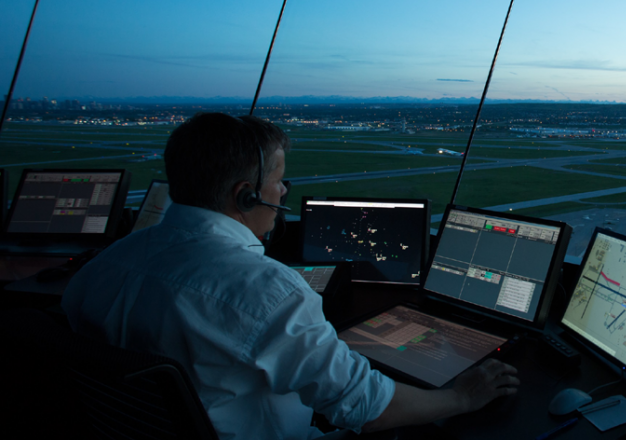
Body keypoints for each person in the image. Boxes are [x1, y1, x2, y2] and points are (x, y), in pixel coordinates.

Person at [62, 113, 518, 440]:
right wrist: (462, 397)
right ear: (245, 197)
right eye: (280, 181)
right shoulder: (267, 292)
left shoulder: (103, 266)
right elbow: (368, 408)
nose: (283, 192)